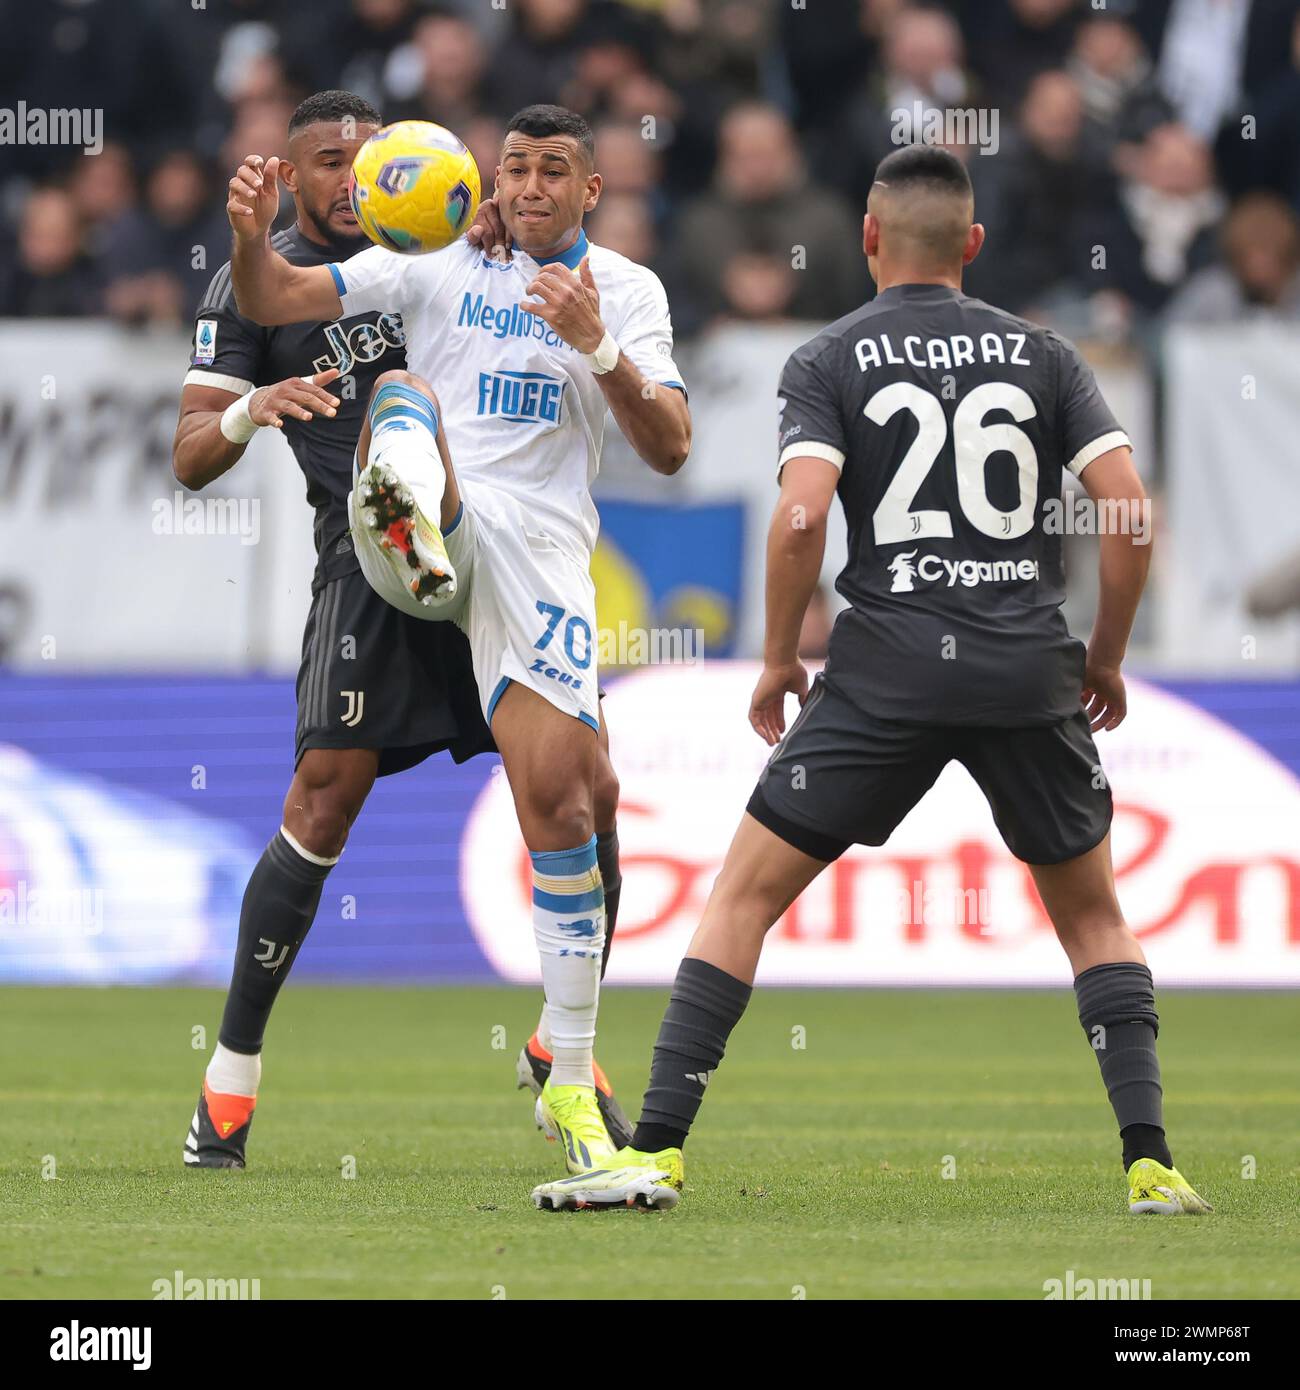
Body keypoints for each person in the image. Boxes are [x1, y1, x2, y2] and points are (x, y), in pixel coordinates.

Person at [532, 143, 1212, 1217]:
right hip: (1026, 667)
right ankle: (1149, 1163)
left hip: (884, 670)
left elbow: (802, 513)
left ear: (865, 239)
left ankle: (655, 1152)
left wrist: (773, 660)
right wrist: (1105, 652)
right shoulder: (1046, 355)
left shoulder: (829, 356)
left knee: (743, 897)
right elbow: (1126, 511)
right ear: (972, 245)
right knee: (1093, 919)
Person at [224, 103, 691, 1175]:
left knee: (566, 803)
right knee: (402, 387)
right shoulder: (432, 260)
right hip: (426, 522)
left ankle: (566, 1079)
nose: (528, 186)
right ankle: (406, 519)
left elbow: (667, 445)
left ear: (590, 191)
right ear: (490, 185)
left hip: (537, 557)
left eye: (552, 170)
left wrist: (599, 346)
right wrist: (251, 236)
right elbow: (278, 297)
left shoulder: (626, 291)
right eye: (513, 169)